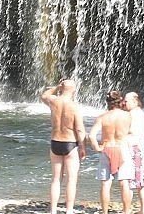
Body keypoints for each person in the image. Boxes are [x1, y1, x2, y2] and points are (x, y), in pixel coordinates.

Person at [41, 79, 87, 214]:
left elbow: (44, 96)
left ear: (61, 88)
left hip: (55, 141)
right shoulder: (74, 106)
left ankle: (53, 210)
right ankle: (69, 210)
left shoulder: (53, 101)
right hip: (70, 143)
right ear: (74, 90)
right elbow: (79, 129)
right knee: (71, 179)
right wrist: (83, 147)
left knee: (56, 179)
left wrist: (56, 87)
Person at [89, 91, 133, 214]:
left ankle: (105, 211)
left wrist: (97, 148)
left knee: (105, 183)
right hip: (122, 148)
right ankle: (126, 211)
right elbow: (132, 132)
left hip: (107, 148)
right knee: (124, 183)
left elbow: (91, 135)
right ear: (120, 102)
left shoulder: (102, 117)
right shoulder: (127, 116)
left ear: (108, 103)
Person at [124, 92, 144, 214]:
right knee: (140, 182)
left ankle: (127, 211)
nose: (124, 103)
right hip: (139, 150)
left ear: (134, 101)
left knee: (129, 182)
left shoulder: (133, 114)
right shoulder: (140, 114)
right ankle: (143, 210)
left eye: (126, 101)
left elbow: (132, 131)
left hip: (134, 150)